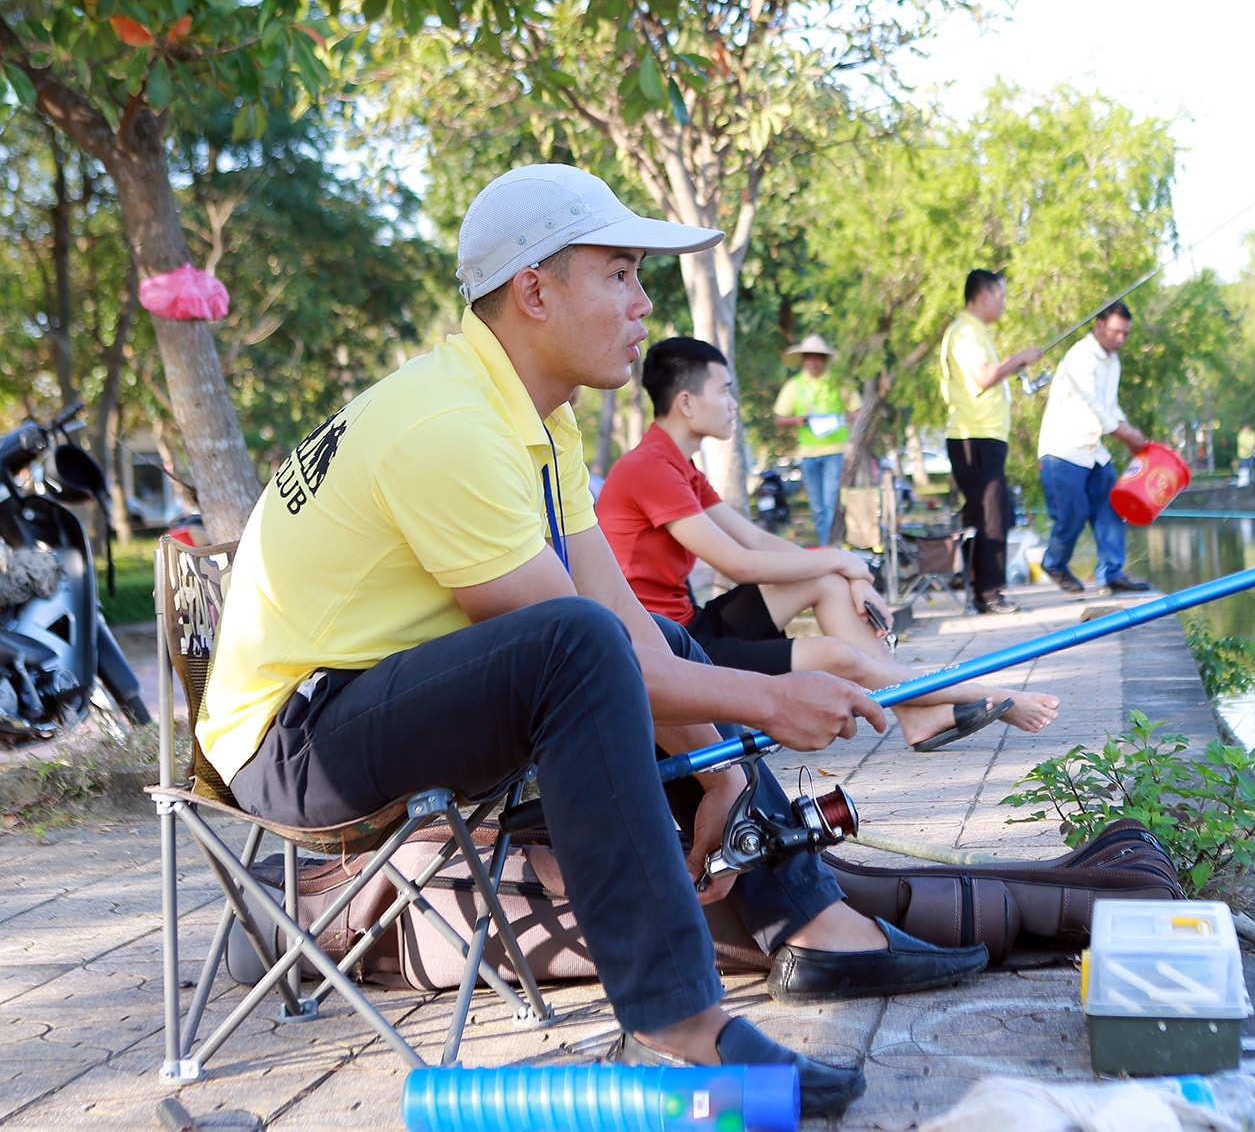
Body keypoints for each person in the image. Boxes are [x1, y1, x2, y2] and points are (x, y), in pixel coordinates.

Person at [195, 164, 987, 1117]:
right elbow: (581, 655)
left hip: (374, 695)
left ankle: (808, 918)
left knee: (626, 627)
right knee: (569, 643)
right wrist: (769, 705)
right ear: (535, 289)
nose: (644, 306)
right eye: (620, 274)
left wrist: (729, 771)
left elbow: (630, 638)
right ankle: (682, 1023)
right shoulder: (446, 426)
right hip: (294, 742)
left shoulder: (539, 420)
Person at [600, 336, 1062, 753]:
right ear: (685, 401)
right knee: (835, 655)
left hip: (692, 624)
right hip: (669, 650)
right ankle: (992, 694)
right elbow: (739, 564)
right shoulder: (649, 468)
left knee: (828, 583)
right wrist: (845, 559)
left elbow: (756, 538)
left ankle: (918, 714)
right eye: (724, 391)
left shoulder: (678, 464)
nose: (734, 403)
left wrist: (846, 572)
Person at [938, 269, 1044, 614]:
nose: (1003, 303)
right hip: (974, 437)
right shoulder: (967, 331)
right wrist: (1020, 358)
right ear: (984, 296)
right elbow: (984, 377)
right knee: (993, 512)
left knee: (983, 513)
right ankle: (990, 592)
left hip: (983, 437)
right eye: (1001, 296)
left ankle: (976, 587)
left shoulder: (974, 331)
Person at [1035, 301, 1152, 596]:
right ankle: (1055, 562)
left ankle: (1111, 573)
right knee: (1073, 513)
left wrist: (1127, 426)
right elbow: (1094, 405)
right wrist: (1124, 433)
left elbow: (1110, 406)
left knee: (1111, 508)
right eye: (1116, 332)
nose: (1121, 339)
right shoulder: (1080, 357)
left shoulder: (1113, 362)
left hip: (1093, 451)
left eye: (1126, 333)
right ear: (1099, 325)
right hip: (1063, 450)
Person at [771, 334, 859, 546]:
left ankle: (834, 547)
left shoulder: (838, 381)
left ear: (824, 359)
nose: (814, 361)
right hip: (809, 453)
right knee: (818, 507)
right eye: (809, 357)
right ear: (803, 359)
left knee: (831, 502)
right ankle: (827, 547)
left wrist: (842, 421)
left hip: (835, 451)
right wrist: (796, 420)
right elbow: (779, 418)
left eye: (818, 357)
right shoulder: (795, 385)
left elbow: (857, 409)